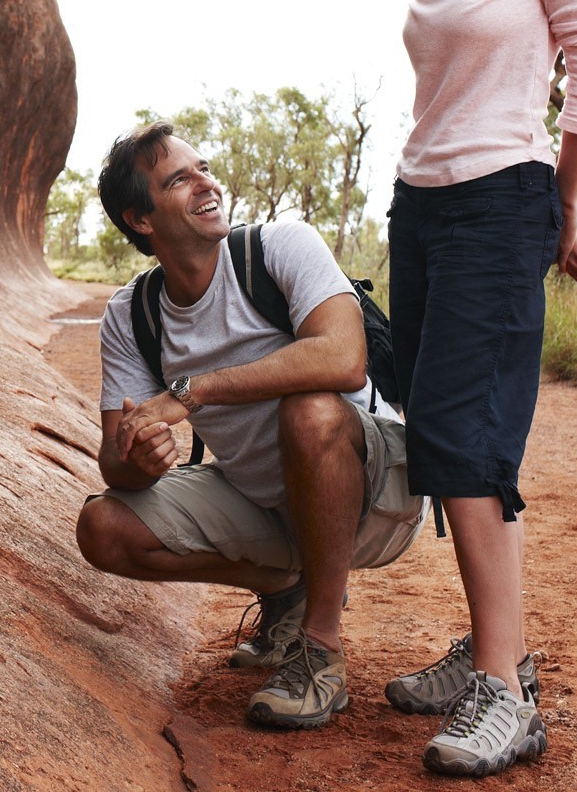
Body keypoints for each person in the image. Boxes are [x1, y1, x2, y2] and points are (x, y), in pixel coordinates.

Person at [349, 0, 577, 778]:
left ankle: (507, 692)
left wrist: (563, 199)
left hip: (502, 200)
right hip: (423, 204)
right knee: (436, 423)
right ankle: (486, 654)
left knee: (469, 433)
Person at [75, 123, 427, 730]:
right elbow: (114, 458)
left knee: (309, 409)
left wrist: (191, 392)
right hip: (268, 504)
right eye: (180, 179)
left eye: (203, 168)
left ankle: (320, 651)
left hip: (378, 497)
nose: (207, 184)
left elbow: (344, 359)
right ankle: (289, 587)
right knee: (103, 526)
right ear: (141, 219)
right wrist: (139, 457)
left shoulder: (278, 248)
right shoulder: (131, 314)